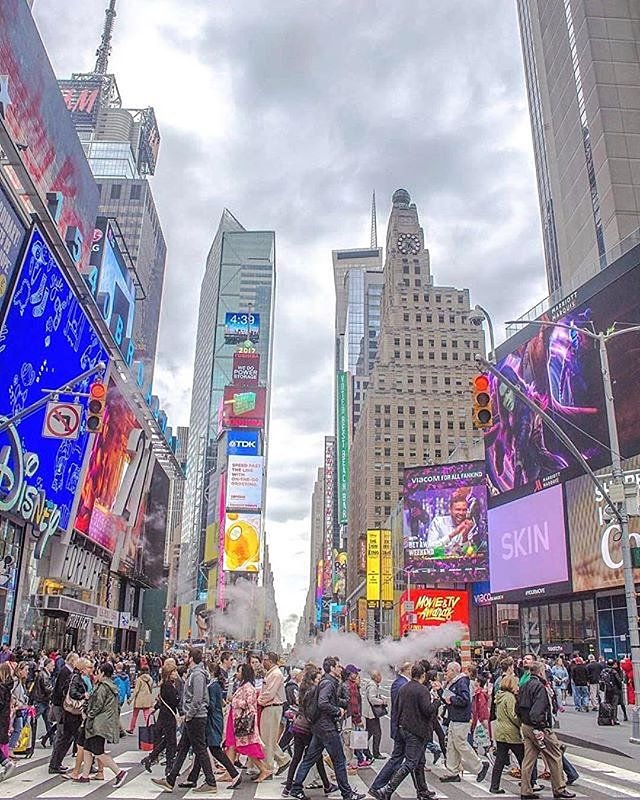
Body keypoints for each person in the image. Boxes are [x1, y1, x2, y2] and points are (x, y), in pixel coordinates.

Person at [289, 656, 364, 800]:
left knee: (309, 759)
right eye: (337, 666)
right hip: (327, 728)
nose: (340, 668)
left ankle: (296, 788)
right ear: (331, 668)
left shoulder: (327, 682)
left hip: (319, 727)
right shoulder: (328, 683)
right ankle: (347, 794)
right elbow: (323, 703)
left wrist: (342, 702)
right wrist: (338, 710)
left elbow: (327, 700)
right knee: (339, 761)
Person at [151, 648, 218, 793]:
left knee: (200, 749)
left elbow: (198, 698)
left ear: (192, 658)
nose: (185, 658)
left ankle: (211, 782)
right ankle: (170, 779)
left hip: (196, 717)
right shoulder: (194, 674)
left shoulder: (198, 675)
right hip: (193, 717)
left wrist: (188, 715)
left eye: (187, 656)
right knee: (183, 748)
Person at [368, 662, 437, 800]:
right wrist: (436, 701)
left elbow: (398, 709)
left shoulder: (404, 687)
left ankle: (422, 790)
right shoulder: (417, 688)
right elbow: (427, 710)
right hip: (415, 730)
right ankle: (386, 790)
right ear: (422, 675)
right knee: (409, 762)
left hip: (404, 728)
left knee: (418, 761)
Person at [517, 662, 576, 800]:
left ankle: (526, 790)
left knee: (528, 759)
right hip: (538, 727)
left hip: (526, 725)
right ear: (540, 672)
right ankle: (559, 788)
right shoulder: (539, 687)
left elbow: (517, 707)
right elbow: (538, 709)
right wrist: (539, 727)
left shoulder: (524, 685)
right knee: (555, 754)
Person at [179, 662, 242, 789]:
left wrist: (202, 705)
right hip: (213, 720)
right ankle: (192, 778)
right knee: (201, 749)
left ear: (211, 672)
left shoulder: (213, 686)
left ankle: (234, 774)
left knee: (213, 749)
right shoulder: (214, 685)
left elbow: (212, 704)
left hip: (213, 721)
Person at [283, 664, 335, 797]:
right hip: (307, 728)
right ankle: (300, 787)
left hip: (298, 726)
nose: (319, 681)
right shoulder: (313, 690)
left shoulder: (302, 687)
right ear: (313, 678)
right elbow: (314, 711)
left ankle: (288, 787)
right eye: (318, 678)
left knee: (299, 758)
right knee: (313, 757)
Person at [74, 663, 127, 787]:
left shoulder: (103, 687)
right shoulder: (109, 685)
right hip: (101, 721)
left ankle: (119, 772)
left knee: (98, 751)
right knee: (87, 748)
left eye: (97, 672)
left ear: (102, 673)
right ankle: (85, 776)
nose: (95, 675)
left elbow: (98, 705)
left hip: (99, 723)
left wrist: (89, 714)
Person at [439, 662, 489, 784]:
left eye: (448, 670)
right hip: (454, 717)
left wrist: (451, 699)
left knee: (460, 744)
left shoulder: (461, 682)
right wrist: (441, 691)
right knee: (451, 745)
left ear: (454, 671)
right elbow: (448, 698)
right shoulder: (455, 682)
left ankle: (480, 766)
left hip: (460, 718)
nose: (446, 673)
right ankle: (452, 771)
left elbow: (465, 700)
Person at [224, 663, 271, 782]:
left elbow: (250, 705)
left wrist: (235, 702)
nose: (237, 674)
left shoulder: (249, 688)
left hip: (243, 723)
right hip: (236, 720)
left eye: (239, 671)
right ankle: (229, 772)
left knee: (248, 748)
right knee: (231, 745)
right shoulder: (242, 686)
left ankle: (264, 769)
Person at [49, 653, 85, 775]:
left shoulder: (72, 674)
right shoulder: (69, 674)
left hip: (68, 710)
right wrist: (83, 696)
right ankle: (56, 763)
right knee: (71, 737)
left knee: (66, 737)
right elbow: (66, 691)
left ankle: (55, 763)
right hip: (68, 710)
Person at [141, 662, 180, 775]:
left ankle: (151, 758)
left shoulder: (168, 684)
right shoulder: (167, 685)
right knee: (171, 741)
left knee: (167, 740)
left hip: (166, 715)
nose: (176, 674)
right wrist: (178, 697)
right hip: (168, 716)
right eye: (174, 672)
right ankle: (169, 766)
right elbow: (174, 700)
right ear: (169, 673)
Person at [489, 673, 523, 795]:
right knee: (523, 758)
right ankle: (528, 783)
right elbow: (513, 715)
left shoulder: (499, 695)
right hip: (510, 732)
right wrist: (521, 722)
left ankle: (494, 785)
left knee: (500, 760)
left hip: (500, 731)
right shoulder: (509, 697)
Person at [258, 652, 291, 775]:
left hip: (272, 707)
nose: (263, 662)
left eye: (265, 660)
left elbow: (269, 693)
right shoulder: (272, 673)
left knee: (267, 739)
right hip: (270, 707)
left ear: (270, 661)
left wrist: (258, 700)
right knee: (268, 738)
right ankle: (283, 760)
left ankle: (268, 768)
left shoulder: (276, 674)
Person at [342, 664, 370, 768]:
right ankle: (346, 765)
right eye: (355, 673)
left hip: (348, 717)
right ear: (350, 674)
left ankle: (356, 760)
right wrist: (358, 719)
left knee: (351, 742)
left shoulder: (347, 684)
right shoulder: (351, 686)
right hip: (350, 718)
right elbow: (353, 705)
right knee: (349, 743)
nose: (358, 674)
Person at [361, 670, 387, 760]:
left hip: (369, 713)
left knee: (369, 732)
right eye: (380, 675)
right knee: (377, 733)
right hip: (371, 713)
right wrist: (382, 701)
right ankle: (375, 752)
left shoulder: (372, 684)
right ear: (376, 677)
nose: (381, 678)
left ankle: (363, 747)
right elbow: (372, 699)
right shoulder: (372, 686)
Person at [8, 661, 31, 756]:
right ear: (20, 671)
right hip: (15, 709)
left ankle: (10, 749)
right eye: (26, 670)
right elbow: (10, 694)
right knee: (16, 728)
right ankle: (9, 749)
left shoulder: (21, 682)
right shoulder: (15, 681)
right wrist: (17, 703)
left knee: (18, 727)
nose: (28, 672)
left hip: (20, 708)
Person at [32, 658, 56, 749]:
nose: (54, 667)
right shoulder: (44, 675)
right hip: (41, 700)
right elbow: (46, 688)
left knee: (48, 721)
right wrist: (54, 690)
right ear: (48, 664)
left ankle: (52, 738)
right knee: (34, 719)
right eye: (52, 665)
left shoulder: (45, 674)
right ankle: (31, 739)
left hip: (44, 700)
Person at [0, 663, 16, 781]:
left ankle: (6, 762)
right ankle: (5, 762)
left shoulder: (2, 688)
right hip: (4, 718)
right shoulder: (6, 687)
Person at [127, 666, 154, 734]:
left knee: (135, 715)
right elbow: (151, 689)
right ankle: (149, 726)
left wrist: (131, 699)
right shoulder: (150, 679)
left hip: (139, 698)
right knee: (146, 714)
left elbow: (136, 690)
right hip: (147, 698)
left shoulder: (139, 679)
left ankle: (131, 728)